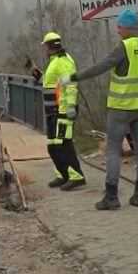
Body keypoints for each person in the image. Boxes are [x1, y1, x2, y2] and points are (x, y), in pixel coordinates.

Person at [61, 9, 138, 210]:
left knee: (113, 151)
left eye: (119, 27)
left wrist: (73, 78)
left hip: (121, 108)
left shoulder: (125, 47)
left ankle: (111, 197)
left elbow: (102, 66)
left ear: (128, 27)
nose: (117, 31)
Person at [39, 32, 85, 191]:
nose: (44, 49)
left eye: (45, 46)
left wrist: (71, 106)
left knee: (64, 144)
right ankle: (63, 174)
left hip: (63, 110)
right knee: (53, 145)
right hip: (52, 111)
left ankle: (76, 176)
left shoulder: (64, 61)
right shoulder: (54, 62)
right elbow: (49, 82)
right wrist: (35, 73)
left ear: (49, 46)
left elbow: (71, 85)